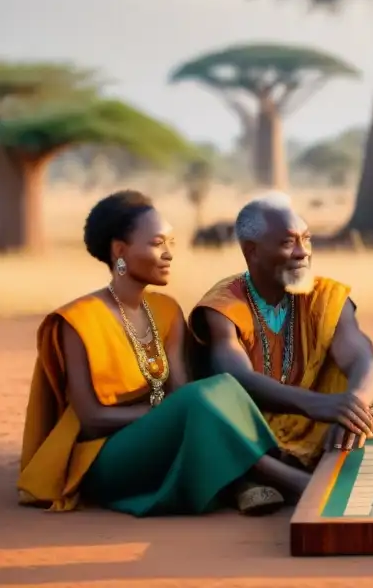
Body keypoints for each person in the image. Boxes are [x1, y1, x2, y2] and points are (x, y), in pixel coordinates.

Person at [18, 191, 307, 517]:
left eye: (171, 243)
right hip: (107, 458)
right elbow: (91, 419)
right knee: (199, 402)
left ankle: (250, 477)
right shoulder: (78, 319)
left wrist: (180, 414)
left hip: (165, 443)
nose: (169, 254)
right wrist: (170, 416)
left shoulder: (166, 310)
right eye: (158, 244)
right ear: (120, 251)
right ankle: (291, 481)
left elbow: (181, 391)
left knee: (220, 387)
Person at [187, 191, 373, 485]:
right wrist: (315, 404)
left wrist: (354, 407)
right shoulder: (224, 304)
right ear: (252, 251)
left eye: (306, 239)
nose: (302, 252)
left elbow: (362, 360)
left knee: (361, 392)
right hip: (253, 427)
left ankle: (299, 470)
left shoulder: (326, 296)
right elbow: (238, 376)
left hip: (320, 423)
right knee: (212, 402)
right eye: (287, 242)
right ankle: (294, 483)